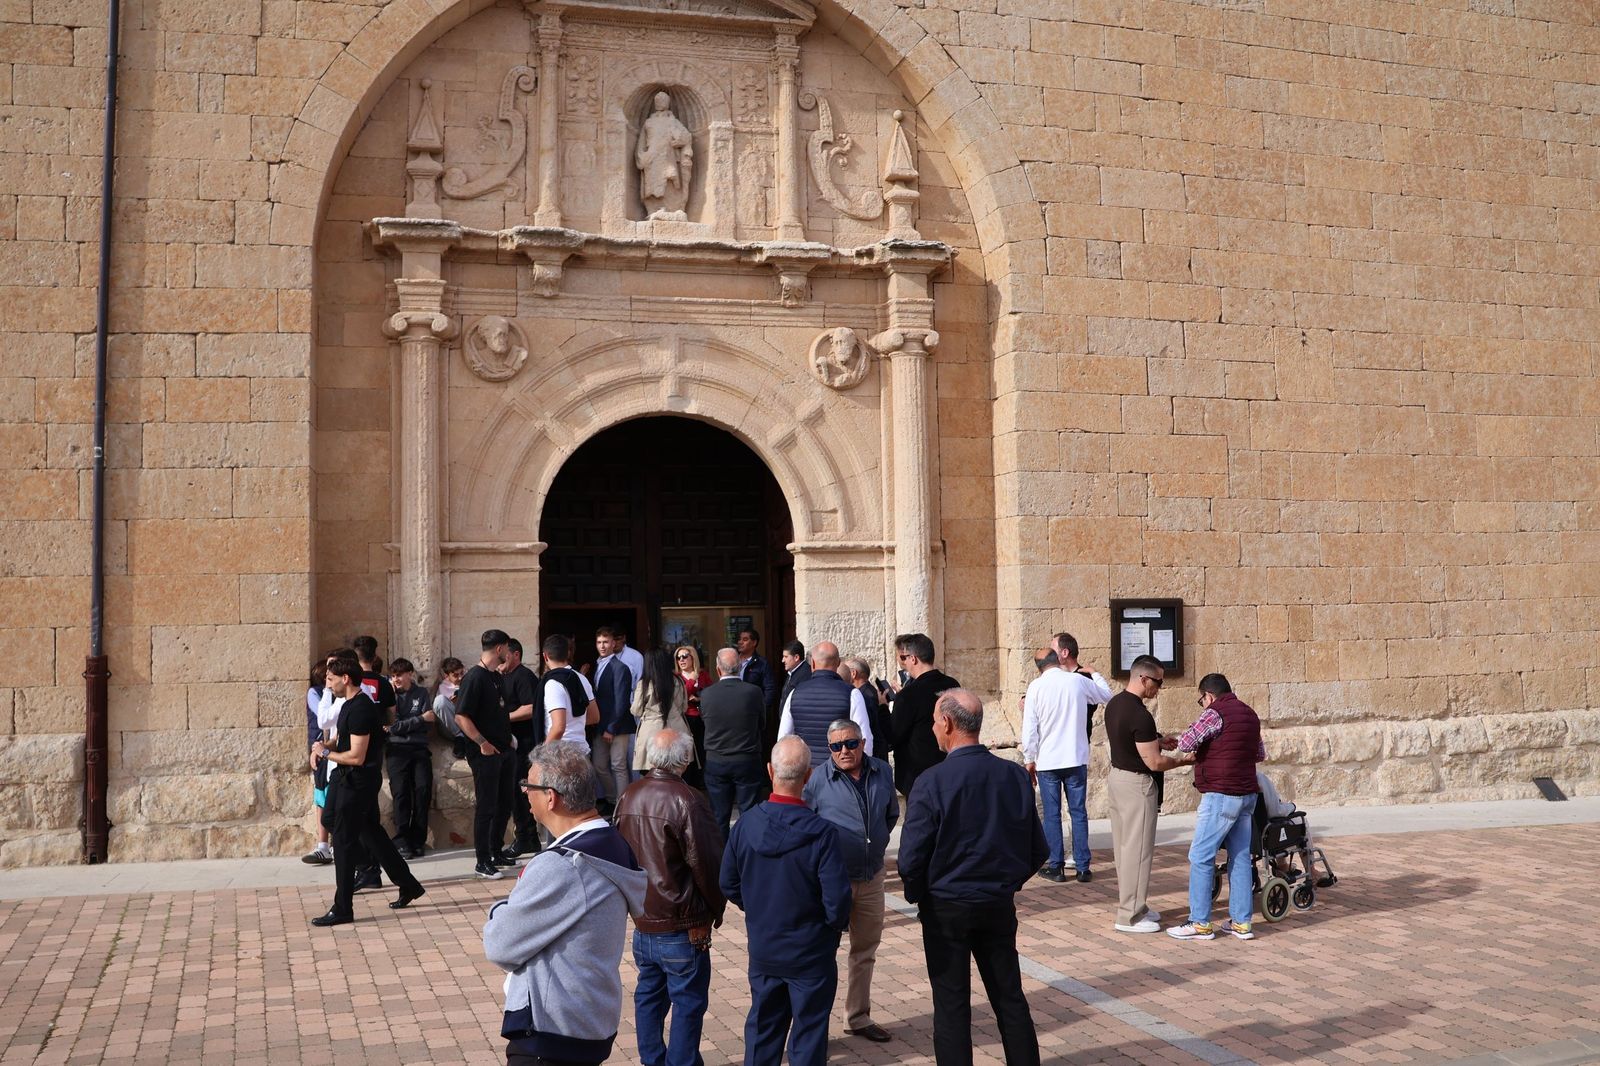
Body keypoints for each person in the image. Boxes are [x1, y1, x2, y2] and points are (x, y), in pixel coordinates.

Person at [898, 690, 1046, 1066]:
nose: (933, 728)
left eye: (935, 721)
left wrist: (921, 894)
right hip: (994, 903)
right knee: (1009, 998)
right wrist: (1006, 883)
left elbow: (910, 859)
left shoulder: (931, 782)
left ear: (947, 723)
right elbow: (1037, 849)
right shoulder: (1013, 775)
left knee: (951, 1005)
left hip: (946, 906)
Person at [484, 741, 647, 1066]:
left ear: (550, 797)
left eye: (528, 785)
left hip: (552, 1031)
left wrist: (500, 909)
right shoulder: (611, 841)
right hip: (586, 1018)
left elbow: (500, 944)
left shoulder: (563, 865)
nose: (523, 792)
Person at [720, 737, 852, 1066]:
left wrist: (758, 907)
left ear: (769, 771)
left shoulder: (746, 824)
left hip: (766, 946)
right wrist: (829, 931)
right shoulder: (823, 833)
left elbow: (728, 882)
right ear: (808, 776)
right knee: (808, 1037)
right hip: (810, 951)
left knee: (763, 1032)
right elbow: (837, 902)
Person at [613, 731, 726, 1066]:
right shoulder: (687, 800)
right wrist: (715, 908)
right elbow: (708, 864)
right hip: (681, 922)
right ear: (685, 760)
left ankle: (654, 1059)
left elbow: (618, 854)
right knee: (687, 1002)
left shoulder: (629, 795)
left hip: (645, 918)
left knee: (649, 995)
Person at [801, 719, 898, 1044]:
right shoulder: (818, 780)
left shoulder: (882, 772)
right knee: (821, 953)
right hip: (832, 882)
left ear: (862, 743)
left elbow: (890, 815)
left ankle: (857, 1017)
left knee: (865, 950)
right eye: (836, 746)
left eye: (851, 743)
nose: (844, 751)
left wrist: (875, 845)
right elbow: (807, 826)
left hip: (871, 877)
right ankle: (814, 1030)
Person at [310, 655, 425, 925]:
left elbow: (357, 756)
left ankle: (343, 907)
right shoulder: (348, 704)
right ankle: (406, 883)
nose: (329, 685)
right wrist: (323, 747)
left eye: (331, 680)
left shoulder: (362, 708)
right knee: (343, 824)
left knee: (343, 840)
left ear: (345, 678)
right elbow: (342, 737)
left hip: (358, 781)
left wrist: (326, 754)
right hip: (343, 777)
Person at [1168, 673, 1267, 942]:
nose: (1202, 705)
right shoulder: (1250, 714)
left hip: (1221, 794)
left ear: (1208, 696)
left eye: (1201, 700)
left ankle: (1199, 922)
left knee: (1201, 855)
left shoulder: (1214, 713)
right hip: (1247, 794)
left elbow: (1186, 743)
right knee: (1240, 857)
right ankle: (1241, 923)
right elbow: (1259, 754)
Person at [1104, 659, 1190, 933]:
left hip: (1118, 778)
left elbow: (1127, 741)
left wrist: (1157, 741)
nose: (1159, 688)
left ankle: (1135, 905)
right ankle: (1129, 916)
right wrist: (1183, 760)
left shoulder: (1115, 704)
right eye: (1158, 682)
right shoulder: (1140, 715)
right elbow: (1155, 762)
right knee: (1138, 851)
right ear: (1143, 679)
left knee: (1125, 849)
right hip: (1136, 785)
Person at [1020, 639, 1112, 883]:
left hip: (1048, 760)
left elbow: (1030, 728)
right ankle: (1083, 867)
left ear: (1039, 667)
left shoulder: (1036, 687)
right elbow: (1106, 695)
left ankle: (1056, 865)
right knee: (1078, 812)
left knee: (1052, 814)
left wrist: (1029, 758)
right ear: (1056, 660)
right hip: (1075, 756)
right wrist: (1095, 673)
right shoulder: (1077, 681)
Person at [454, 628, 520, 880]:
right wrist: (482, 742)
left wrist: (508, 739)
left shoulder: (496, 676)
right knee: (487, 806)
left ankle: (495, 851)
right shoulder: (474, 677)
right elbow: (461, 716)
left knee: (504, 803)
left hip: (504, 750)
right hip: (485, 754)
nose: (509, 653)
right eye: (508, 648)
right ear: (500, 648)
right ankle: (482, 861)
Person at [700, 647, 767, 838]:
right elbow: (762, 724)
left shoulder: (707, 694)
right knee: (750, 814)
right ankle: (748, 851)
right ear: (740, 667)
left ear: (718, 669)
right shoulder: (753, 692)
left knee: (719, 816)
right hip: (747, 759)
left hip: (717, 760)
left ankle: (722, 854)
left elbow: (706, 722)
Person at [777, 641, 873, 767]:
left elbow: (783, 739)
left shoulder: (794, 693)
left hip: (807, 771)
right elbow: (865, 738)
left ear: (812, 663)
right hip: (839, 771)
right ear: (838, 663)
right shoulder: (852, 694)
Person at [887, 633, 959, 796]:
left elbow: (893, 736)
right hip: (949, 771)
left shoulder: (909, 694)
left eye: (904, 658)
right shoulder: (952, 684)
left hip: (918, 778)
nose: (903, 663)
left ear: (913, 658)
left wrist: (883, 708)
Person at [386, 657, 435, 859]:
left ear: (410, 674)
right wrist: (419, 719)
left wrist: (408, 724)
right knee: (401, 794)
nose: (396, 679)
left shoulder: (421, 693)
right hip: (396, 750)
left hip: (419, 748)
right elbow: (392, 726)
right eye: (393, 676)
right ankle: (402, 841)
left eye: (399, 675)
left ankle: (418, 840)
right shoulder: (390, 695)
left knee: (423, 791)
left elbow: (430, 721)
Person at [499, 639, 543, 856]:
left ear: (516, 654)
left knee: (522, 792)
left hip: (525, 745)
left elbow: (530, 708)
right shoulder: (503, 677)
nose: (501, 659)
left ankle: (527, 837)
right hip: (511, 744)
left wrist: (503, 718)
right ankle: (528, 838)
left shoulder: (524, 676)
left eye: (505, 654)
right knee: (514, 793)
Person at [593, 627, 637, 810]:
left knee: (618, 765)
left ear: (613, 644)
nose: (602, 646)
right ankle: (613, 800)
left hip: (618, 726)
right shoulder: (597, 665)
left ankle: (622, 807)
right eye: (599, 642)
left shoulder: (621, 668)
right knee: (599, 765)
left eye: (606, 642)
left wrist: (611, 728)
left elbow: (621, 701)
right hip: (600, 725)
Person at [632, 647, 694, 779]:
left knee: (652, 774)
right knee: (679, 771)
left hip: (651, 731)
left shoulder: (644, 684)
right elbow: (683, 707)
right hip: (677, 729)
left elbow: (636, 710)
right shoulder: (678, 681)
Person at [541, 634, 599, 756]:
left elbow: (558, 727)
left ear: (545, 656)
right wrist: (575, 723)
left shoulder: (553, 683)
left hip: (561, 754)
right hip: (581, 751)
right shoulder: (582, 678)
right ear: (568, 653)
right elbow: (594, 716)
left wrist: (541, 757)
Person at [302, 659, 333, 865]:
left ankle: (337, 844)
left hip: (335, 750)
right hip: (321, 750)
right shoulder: (315, 693)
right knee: (322, 796)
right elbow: (323, 716)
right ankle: (323, 845)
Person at [675, 645, 713, 786]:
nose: (681, 660)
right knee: (688, 751)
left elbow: (711, 694)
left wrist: (699, 698)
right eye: (678, 657)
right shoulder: (676, 677)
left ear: (693, 658)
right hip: (685, 719)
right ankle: (688, 783)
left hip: (702, 717)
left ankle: (702, 782)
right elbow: (680, 696)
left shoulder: (703, 675)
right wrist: (691, 681)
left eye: (685, 656)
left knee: (702, 750)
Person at [841, 657, 891, 759]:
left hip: (874, 754)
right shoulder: (869, 691)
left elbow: (867, 731)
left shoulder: (864, 696)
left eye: (846, 670)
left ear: (853, 673)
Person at [734, 625, 778, 719]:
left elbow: (770, 689)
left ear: (754, 642)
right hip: (733, 708)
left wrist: (762, 710)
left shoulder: (762, 663)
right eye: (739, 639)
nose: (740, 642)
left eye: (745, 639)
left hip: (751, 711)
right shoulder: (732, 660)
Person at [431, 656, 467, 756]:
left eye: (461, 673)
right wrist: (452, 702)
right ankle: (460, 737)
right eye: (455, 675)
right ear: (447, 675)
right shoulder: (443, 687)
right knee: (440, 701)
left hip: (469, 723)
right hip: (452, 727)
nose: (460, 677)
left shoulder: (468, 681)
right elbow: (440, 710)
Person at [777, 639, 809, 707]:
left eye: (786, 657)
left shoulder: (805, 676)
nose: (783, 660)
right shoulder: (792, 672)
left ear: (796, 657)